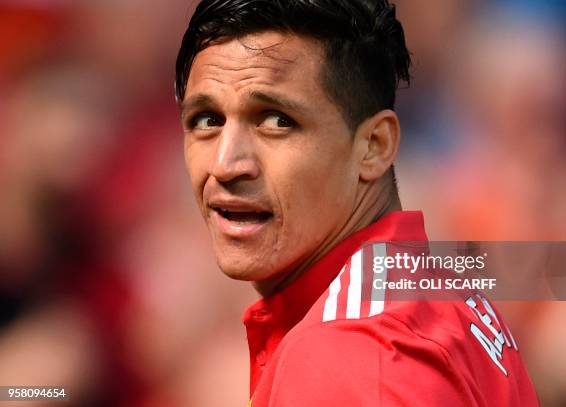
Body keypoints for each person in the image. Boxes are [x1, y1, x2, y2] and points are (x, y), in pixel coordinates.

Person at [174, 0, 539, 405]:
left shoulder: (349, 354)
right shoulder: (435, 295)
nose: (225, 165)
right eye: (207, 120)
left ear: (374, 146)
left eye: (277, 120)